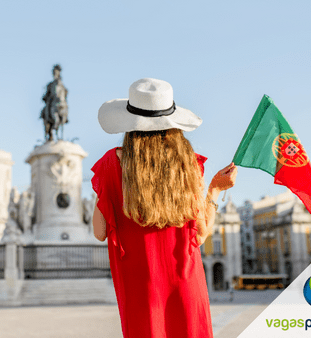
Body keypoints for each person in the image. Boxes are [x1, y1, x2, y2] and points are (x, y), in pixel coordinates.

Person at [91, 78, 237, 338]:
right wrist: (214, 189)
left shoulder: (109, 165)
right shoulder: (188, 165)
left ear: (130, 123)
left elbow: (100, 232)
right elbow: (200, 235)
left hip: (140, 289)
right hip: (185, 281)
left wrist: (106, 188)